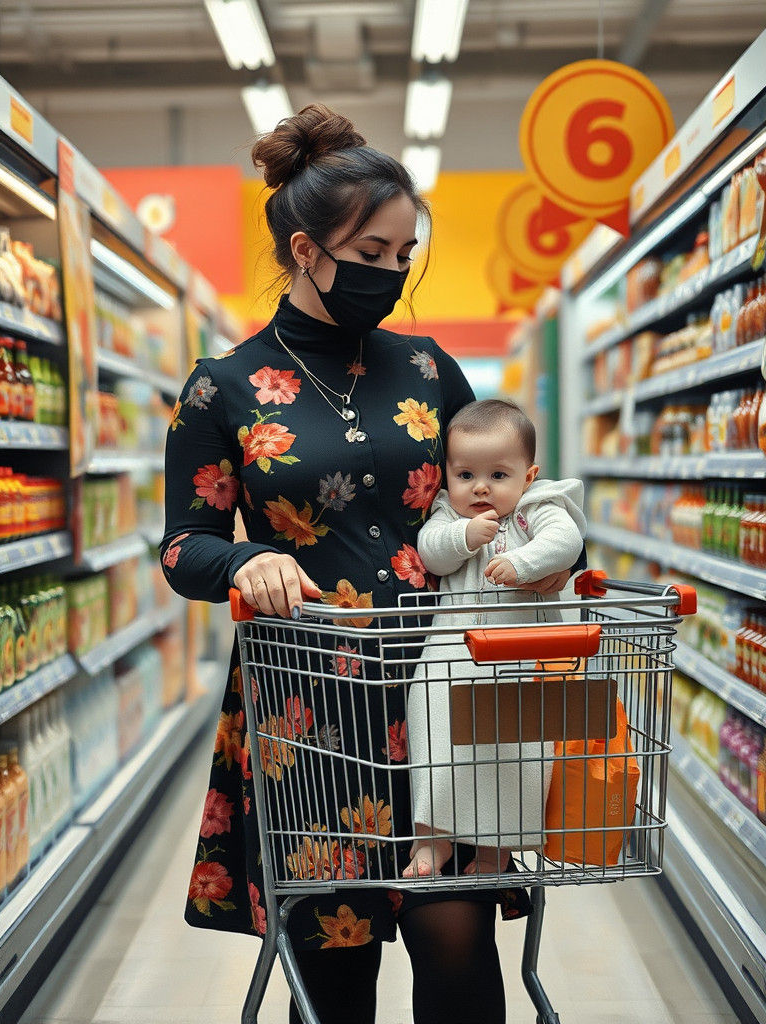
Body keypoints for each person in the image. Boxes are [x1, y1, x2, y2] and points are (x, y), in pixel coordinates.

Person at [160, 103, 586, 1024]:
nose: (391, 277)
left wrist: (543, 551)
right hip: (312, 705)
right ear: (306, 250)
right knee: (335, 966)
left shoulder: (430, 369)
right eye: (371, 257)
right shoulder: (221, 385)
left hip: (447, 686)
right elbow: (182, 544)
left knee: (460, 944)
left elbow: (498, 489)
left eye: (403, 258)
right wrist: (243, 564)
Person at [404, 399, 587, 879]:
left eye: (498, 476)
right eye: (465, 475)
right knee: (435, 742)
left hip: (521, 662)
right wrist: (464, 535)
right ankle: (430, 839)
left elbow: (566, 541)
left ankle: (495, 852)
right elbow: (431, 552)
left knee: (517, 755)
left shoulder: (538, 507)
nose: (480, 487)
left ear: (529, 476)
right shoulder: (448, 513)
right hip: (450, 660)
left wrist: (524, 563)